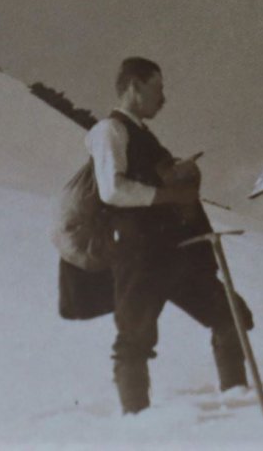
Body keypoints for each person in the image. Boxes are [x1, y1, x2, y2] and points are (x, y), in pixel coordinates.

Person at [86, 57, 252, 414]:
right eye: (157, 88)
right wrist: (168, 193)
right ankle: (137, 422)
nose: (163, 98)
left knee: (230, 314)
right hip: (140, 256)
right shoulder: (109, 131)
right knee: (135, 336)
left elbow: (156, 181)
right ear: (134, 86)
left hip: (178, 253)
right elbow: (111, 190)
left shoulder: (145, 136)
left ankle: (239, 402)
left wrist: (179, 173)